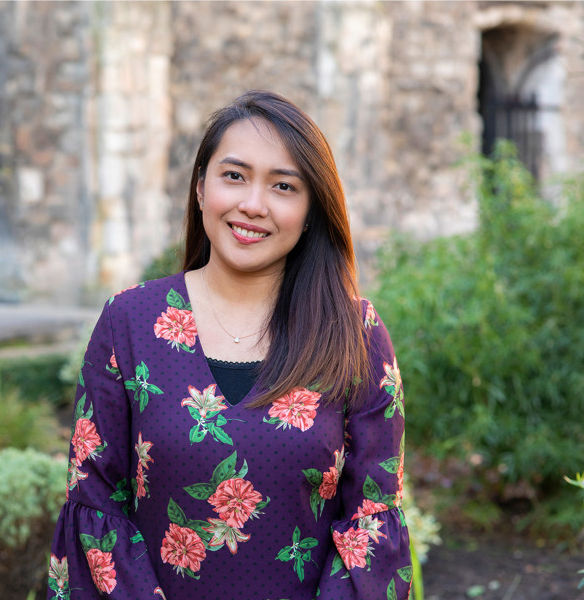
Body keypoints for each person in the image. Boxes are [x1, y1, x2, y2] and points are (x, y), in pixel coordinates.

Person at [47, 90, 410, 600]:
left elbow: (371, 525)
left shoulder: (355, 334)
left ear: (310, 210)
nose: (253, 205)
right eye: (234, 176)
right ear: (200, 189)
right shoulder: (127, 323)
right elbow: (96, 506)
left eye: (283, 186)